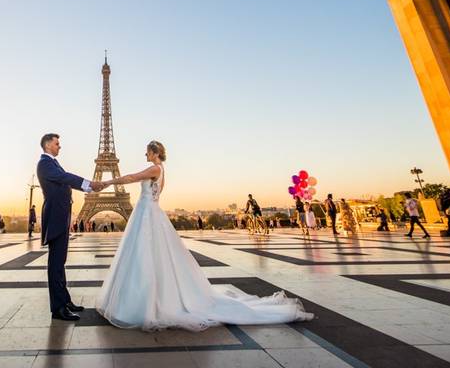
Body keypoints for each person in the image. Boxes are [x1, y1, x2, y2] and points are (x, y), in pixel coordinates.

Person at [95, 140, 312, 330]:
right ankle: (156, 297)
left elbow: (133, 177)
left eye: (147, 152)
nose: (145, 154)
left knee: (144, 256)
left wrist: (107, 182)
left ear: (155, 152)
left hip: (146, 215)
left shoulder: (155, 169)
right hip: (150, 214)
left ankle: (146, 300)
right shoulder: (162, 172)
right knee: (153, 256)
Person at [37, 133, 103, 321]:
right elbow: (63, 177)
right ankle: (58, 308)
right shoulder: (45, 163)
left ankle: (64, 300)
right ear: (48, 144)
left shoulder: (52, 163)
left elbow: (63, 179)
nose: (60, 146)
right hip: (56, 217)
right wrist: (89, 185)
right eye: (57, 143)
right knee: (56, 264)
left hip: (61, 216)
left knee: (60, 262)